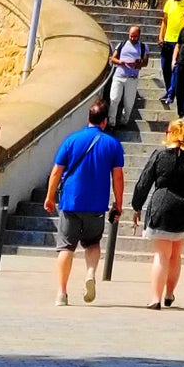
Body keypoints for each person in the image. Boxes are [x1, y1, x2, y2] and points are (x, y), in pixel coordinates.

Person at [43, 100, 125, 306]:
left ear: (88, 118)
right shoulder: (113, 144)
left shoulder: (71, 140)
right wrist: (118, 203)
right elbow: (118, 177)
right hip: (96, 205)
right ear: (105, 121)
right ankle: (90, 273)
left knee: (66, 248)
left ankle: (61, 293)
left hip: (71, 202)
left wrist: (50, 196)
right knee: (93, 243)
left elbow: (56, 171)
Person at [130, 117, 184, 309]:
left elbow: (144, 182)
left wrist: (137, 206)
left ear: (169, 134)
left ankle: (155, 298)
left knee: (161, 255)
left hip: (161, 207)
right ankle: (169, 294)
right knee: (176, 255)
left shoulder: (159, 156)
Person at [107, 24, 147, 129]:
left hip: (132, 78)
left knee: (128, 103)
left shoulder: (143, 47)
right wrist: (121, 62)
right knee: (114, 99)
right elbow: (113, 58)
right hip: (119, 76)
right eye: (131, 36)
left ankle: (124, 122)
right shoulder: (122, 44)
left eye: (135, 36)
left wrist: (138, 63)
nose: (133, 38)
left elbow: (145, 62)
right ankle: (111, 123)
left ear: (139, 36)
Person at [159, 0, 184, 104]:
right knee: (165, 66)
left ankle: (172, 93)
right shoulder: (169, 3)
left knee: (175, 67)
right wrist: (161, 35)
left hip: (180, 41)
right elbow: (165, 21)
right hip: (167, 40)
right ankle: (169, 90)